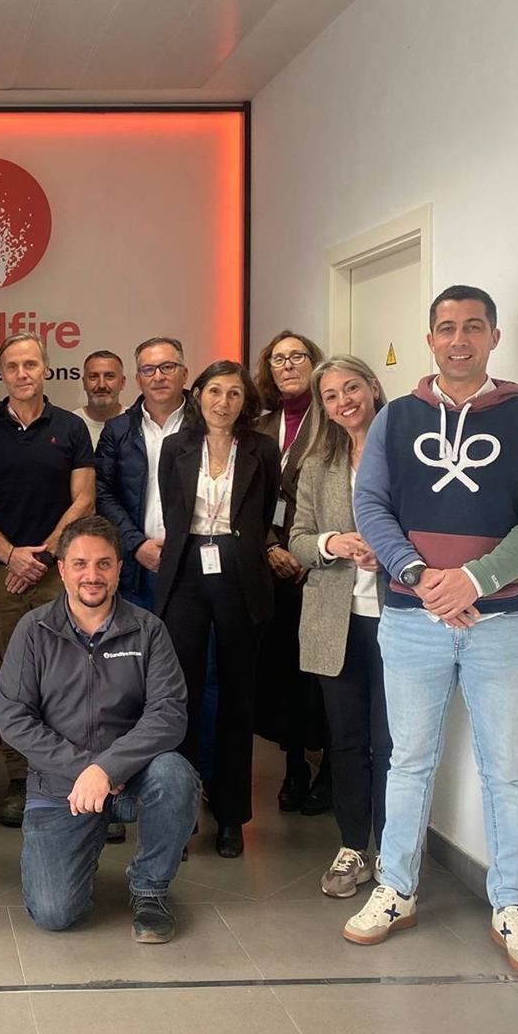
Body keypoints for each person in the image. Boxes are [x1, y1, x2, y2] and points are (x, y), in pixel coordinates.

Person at [344, 286, 518, 977]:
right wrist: (418, 575)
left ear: (494, 337)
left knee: (508, 771)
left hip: (500, 624)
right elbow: (371, 504)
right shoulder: (397, 419)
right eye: (446, 328)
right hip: (412, 621)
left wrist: (469, 580)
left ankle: (511, 903)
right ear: (430, 338)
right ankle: (398, 888)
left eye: (474, 327)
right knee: (408, 760)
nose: (459, 339)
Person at [0, 515, 196, 942]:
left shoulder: (148, 630)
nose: (92, 575)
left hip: (131, 780)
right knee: (53, 913)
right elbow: (14, 718)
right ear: (63, 568)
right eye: (81, 563)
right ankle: (82, 843)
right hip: (61, 788)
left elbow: (169, 713)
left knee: (175, 776)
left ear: (120, 569)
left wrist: (108, 770)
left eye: (104, 564)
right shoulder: (33, 630)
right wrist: (84, 769)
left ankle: (150, 888)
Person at [0, 334, 95, 828]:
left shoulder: (71, 426)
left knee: (68, 674)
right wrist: (9, 554)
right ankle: (18, 778)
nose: (22, 373)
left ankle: (67, 774)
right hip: (1, 574)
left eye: (31, 364)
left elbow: (83, 499)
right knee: (8, 676)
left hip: (59, 572)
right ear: (2, 374)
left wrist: (43, 554)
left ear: (45, 369)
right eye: (13, 366)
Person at [155, 360, 280, 859]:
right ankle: (180, 814)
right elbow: (172, 510)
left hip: (239, 571)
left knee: (236, 697)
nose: (222, 402)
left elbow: (264, 509)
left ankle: (230, 816)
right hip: (186, 570)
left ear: (243, 401)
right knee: (178, 697)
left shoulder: (262, 450)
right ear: (198, 395)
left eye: (233, 393)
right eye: (214, 391)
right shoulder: (176, 447)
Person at [288, 354, 391, 898]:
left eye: (352, 387)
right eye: (331, 396)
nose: (344, 401)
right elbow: (297, 539)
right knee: (347, 742)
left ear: (373, 387)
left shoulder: (407, 451)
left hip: (398, 618)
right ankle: (354, 845)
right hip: (337, 619)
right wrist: (334, 543)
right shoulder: (317, 465)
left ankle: (393, 854)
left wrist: (393, 552)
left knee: (392, 743)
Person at [253, 330, 332, 816]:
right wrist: (267, 549)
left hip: (321, 568)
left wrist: (306, 552)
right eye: (278, 358)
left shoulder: (334, 420)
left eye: (297, 356)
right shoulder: (260, 426)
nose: (287, 365)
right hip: (270, 567)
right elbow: (248, 499)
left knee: (321, 676)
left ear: (313, 362)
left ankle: (329, 770)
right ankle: (294, 767)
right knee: (282, 672)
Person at [96, 337, 191, 610]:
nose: (158, 377)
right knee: (137, 650)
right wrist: (136, 545)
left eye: (167, 367)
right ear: (138, 379)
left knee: (195, 653)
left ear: (184, 374)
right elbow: (102, 492)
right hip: (137, 567)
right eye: (148, 370)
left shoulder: (205, 428)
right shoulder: (117, 430)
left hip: (192, 566)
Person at [73, 350, 127, 448]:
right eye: (93, 377)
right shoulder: (69, 424)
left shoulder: (136, 422)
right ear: (84, 383)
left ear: (122, 383)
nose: (101, 385)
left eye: (109, 377)